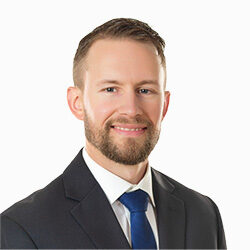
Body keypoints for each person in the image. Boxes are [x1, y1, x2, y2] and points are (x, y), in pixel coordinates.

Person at [0, 18, 227, 249]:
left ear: (165, 105)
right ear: (77, 102)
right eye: (110, 89)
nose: (131, 108)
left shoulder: (203, 214)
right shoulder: (23, 228)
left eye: (145, 90)